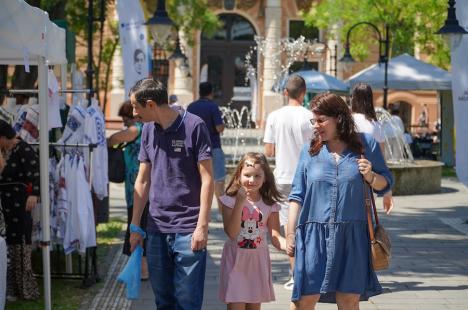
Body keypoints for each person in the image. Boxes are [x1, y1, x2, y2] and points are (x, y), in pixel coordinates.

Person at [286, 93, 393, 309]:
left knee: (348, 300)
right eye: (313, 121)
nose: (316, 126)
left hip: (353, 237)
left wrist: (372, 176)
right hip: (313, 237)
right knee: (304, 300)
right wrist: (290, 233)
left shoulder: (365, 144)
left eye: (321, 120)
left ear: (339, 118)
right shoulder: (310, 150)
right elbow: (297, 195)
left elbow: (386, 183)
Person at [128, 78, 214, 309]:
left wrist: (202, 226)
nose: (134, 113)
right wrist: (136, 226)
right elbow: (142, 180)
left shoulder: (194, 126)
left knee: (187, 302)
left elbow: (208, 179)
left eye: (136, 107)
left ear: (150, 105)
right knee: (163, 300)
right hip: (156, 229)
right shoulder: (147, 130)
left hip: (188, 229)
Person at [263, 75, 314, 290]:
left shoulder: (274, 116)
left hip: (283, 177)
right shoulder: (310, 116)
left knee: (289, 229)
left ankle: (294, 275)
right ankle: (310, 272)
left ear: (285, 92)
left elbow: (268, 150)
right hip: (307, 177)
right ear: (304, 93)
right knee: (308, 227)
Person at [218, 152, 286, 307]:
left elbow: (275, 236)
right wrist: (240, 203)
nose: (251, 180)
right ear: (238, 176)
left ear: (265, 178)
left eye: (257, 176)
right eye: (247, 175)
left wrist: (288, 244)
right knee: (236, 305)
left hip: (257, 264)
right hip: (236, 262)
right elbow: (232, 233)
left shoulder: (270, 205)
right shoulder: (229, 201)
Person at [107, 101, 148, 280]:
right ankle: (142, 269)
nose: (124, 123)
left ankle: (142, 270)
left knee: (137, 225)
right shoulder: (147, 128)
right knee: (141, 224)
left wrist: (109, 143)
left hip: (137, 188)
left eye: (125, 119)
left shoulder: (136, 129)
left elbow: (113, 139)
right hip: (140, 186)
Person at [0, 119, 40, 300]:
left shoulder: (23, 149)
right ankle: (7, 288)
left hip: (20, 201)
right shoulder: (3, 151)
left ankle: (23, 289)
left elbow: (37, 172)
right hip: (4, 203)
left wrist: (34, 194)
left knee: (19, 241)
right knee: (6, 244)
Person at [350, 83, 394, 214]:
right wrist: (387, 191)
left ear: (354, 98)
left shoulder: (347, 121)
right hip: (368, 178)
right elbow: (381, 159)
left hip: (348, 175)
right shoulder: (375, 125)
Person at [187, 82, 226, 221]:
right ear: (211, 92)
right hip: (213, 147)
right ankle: (221, 213)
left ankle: (198, 213)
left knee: (196, 182)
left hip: (194, 149)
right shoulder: (213, 106)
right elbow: (219, 128)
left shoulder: (191, 106)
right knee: (219, 182)